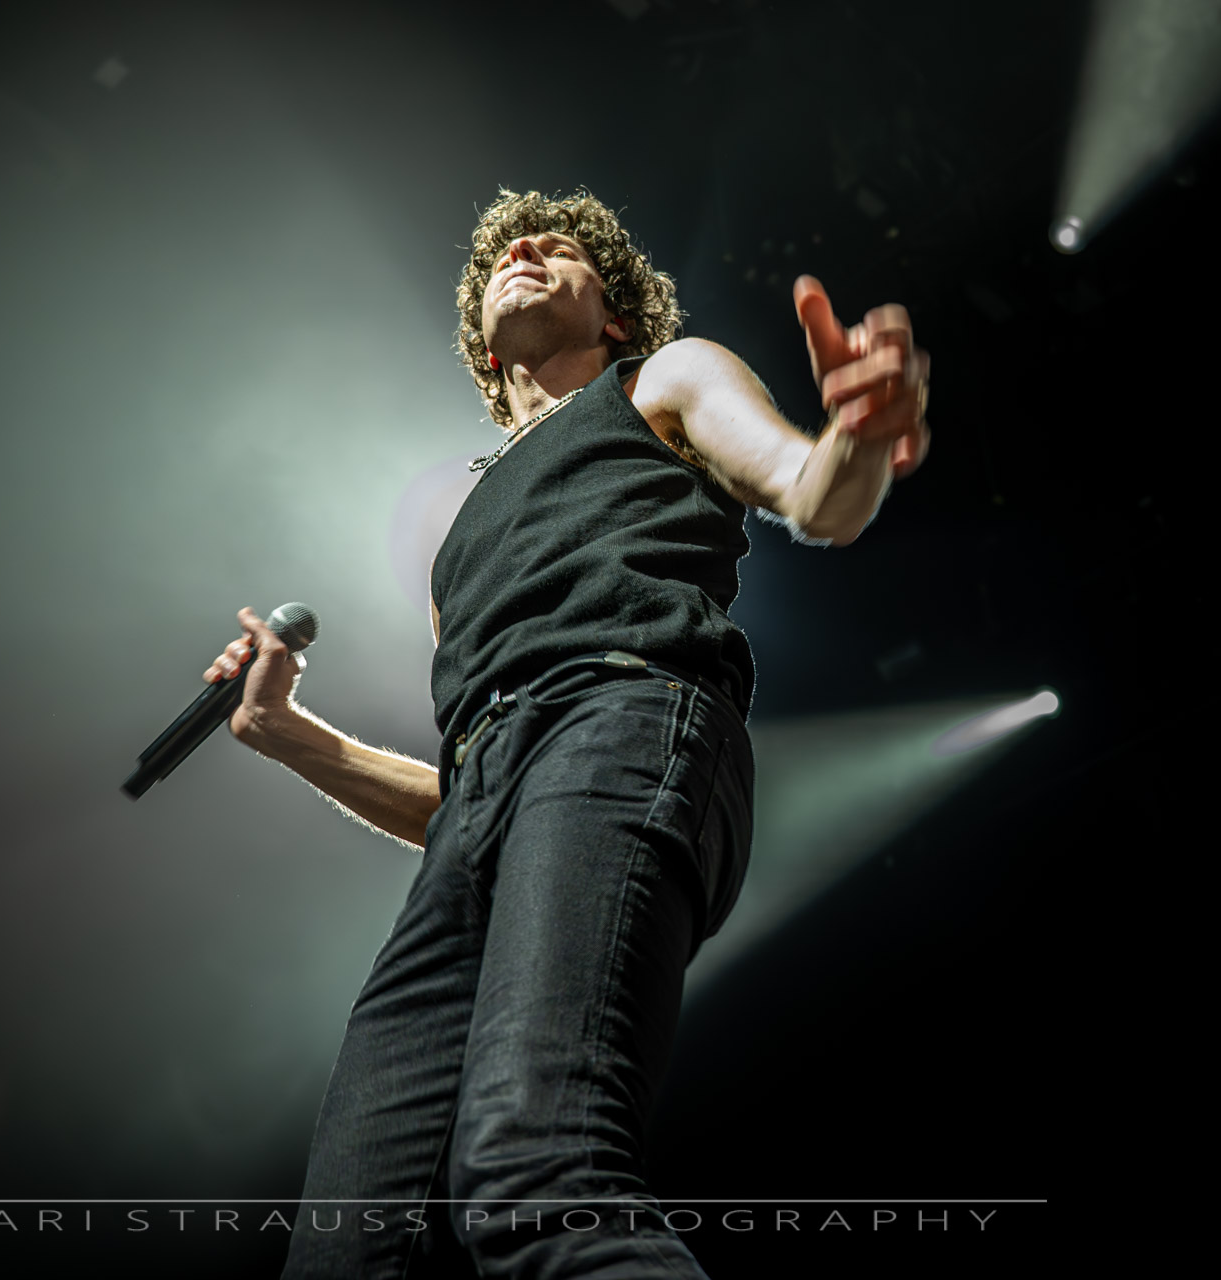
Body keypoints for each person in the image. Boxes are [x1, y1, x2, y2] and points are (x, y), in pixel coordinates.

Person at [202, 188, 931, 1278]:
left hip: (626, 718)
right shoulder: (456, 539)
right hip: (494, 813)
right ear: (484, 351)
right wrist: (285, 731)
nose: (527, 246)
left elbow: (815, 493)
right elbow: (469, 795)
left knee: (537, 1173)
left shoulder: (665, 379)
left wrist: (858, 438)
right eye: (507, 246)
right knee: (340, 1249)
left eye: (561, 246)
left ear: (616, 315)